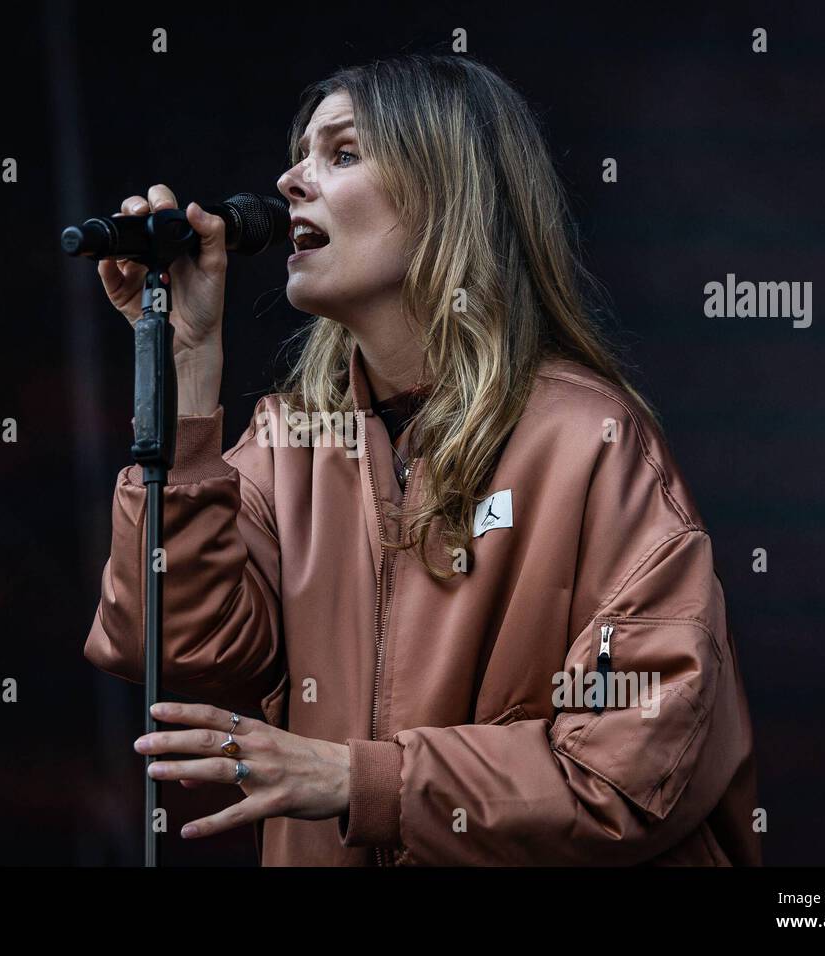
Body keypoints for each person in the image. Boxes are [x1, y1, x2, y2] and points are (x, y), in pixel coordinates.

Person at [85, 53, 761, 866]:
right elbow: (167, 647)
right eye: (300, 153)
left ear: (447, 195)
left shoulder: (589, 441)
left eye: (341, 153)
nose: (291, 179)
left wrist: (359, 780)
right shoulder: (290, 444)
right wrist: (189, 372)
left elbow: (628, 767)